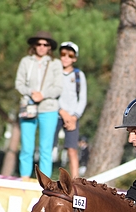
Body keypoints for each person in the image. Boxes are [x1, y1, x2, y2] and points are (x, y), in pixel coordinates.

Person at [14, 30, 61, 179]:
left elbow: (58, 87)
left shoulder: (55, 63)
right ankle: (25, 178)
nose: (41, 47)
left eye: (45, 44)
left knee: (45, 148)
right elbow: (19, 83)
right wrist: (31, 92)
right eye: (39, 44)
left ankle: (45, 182)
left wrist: (43, 95)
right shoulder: (26, 62)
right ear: (34, 45)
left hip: (49, 109)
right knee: (26, 147)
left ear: (49, 47)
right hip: (29, 107)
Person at [54, 41, 86, 178]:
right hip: (55, 114)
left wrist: (73, 117)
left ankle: (75, 181)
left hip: (73, 117)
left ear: (75, 58)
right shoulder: (54, 73)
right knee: (48, 147)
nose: (66, 57)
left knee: (72, 150)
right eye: (63, 54)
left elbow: (82, 98)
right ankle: (45, 177)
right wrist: (62, 112)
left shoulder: (79, 76)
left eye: (70, 55)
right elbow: (51, 95)